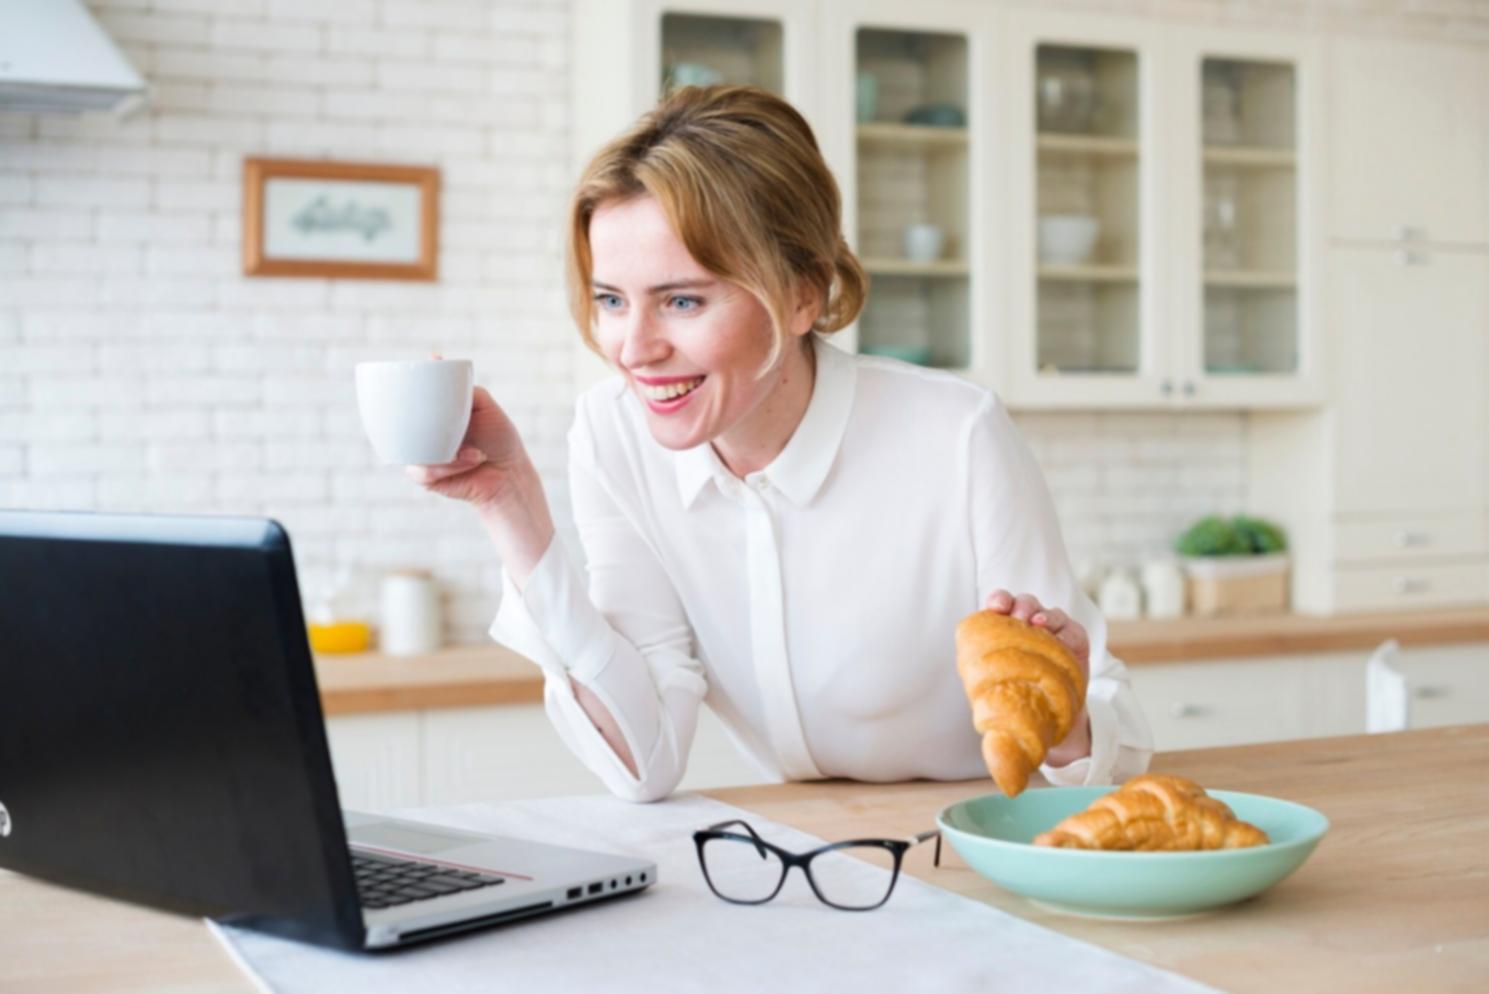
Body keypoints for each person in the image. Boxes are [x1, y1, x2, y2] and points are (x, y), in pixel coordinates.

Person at [410, 85, 1153, 803]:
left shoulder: (955, 435)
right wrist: (512, 508)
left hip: (979, 838)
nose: (633, 348)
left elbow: (1112, 755)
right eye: (611, 300)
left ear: (802, 294)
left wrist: (1064, 711)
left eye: (682, 300)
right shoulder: (612, 436)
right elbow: (644, 763)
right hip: (801, 851)